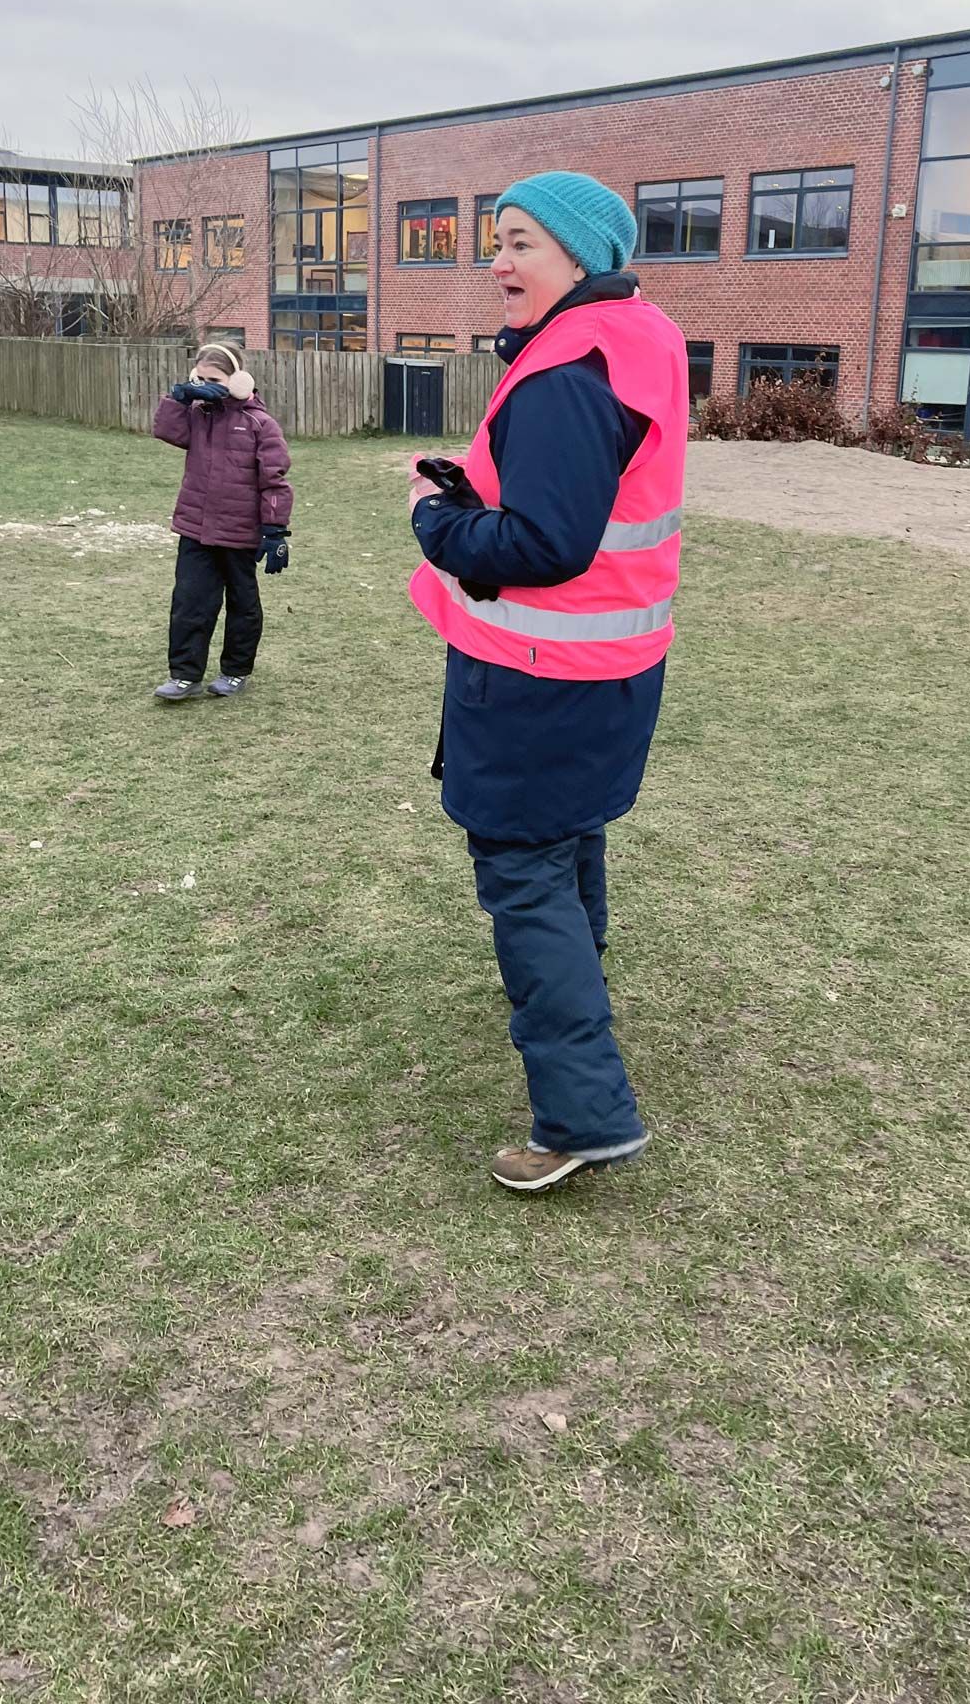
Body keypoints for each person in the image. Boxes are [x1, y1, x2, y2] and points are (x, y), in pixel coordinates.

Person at [408, 171, 688, 1193]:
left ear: (580, 253)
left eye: (521, 241)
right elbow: (576, 492)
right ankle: (574, 983)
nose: (498, 261)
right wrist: (475, 481)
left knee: (525, 867)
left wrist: (436, 523)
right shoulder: (634, 336)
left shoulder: (570, 367)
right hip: (607, 668)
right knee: (566, 844)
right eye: (498, 241)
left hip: (538, 674)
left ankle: (580, 1112)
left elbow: (547, 539)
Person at [150, 341, 292, 702]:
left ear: (238, 380)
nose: (204, 386)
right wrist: (178, 398)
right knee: (190, 601)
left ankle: (236, 671)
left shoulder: (260, 423)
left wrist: (275, 531)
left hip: (240, 533)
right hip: (196, 528)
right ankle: (184, 675)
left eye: (213, 379)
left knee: (242, 605)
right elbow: (168, 431)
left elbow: (274, 479)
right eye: (199, 379)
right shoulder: (197, 416)